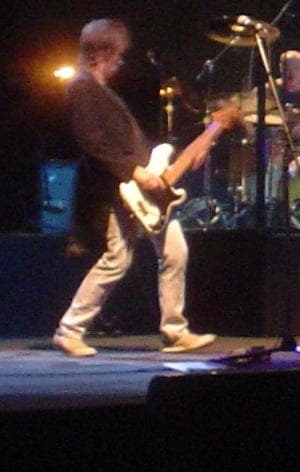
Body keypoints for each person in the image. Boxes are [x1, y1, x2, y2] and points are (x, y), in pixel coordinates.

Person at [52, 18, 216, 357]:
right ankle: (69, 330)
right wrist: (135, 172)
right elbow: (92, 143)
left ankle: (175, 331)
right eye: (118, 54)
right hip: (120, 188)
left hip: (142, 189)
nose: (121, 61)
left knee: (175, 251)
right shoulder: (82, 87)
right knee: (118, 258)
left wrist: (168, 163)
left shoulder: (100, 91)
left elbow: (126, 144)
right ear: (103, 52)